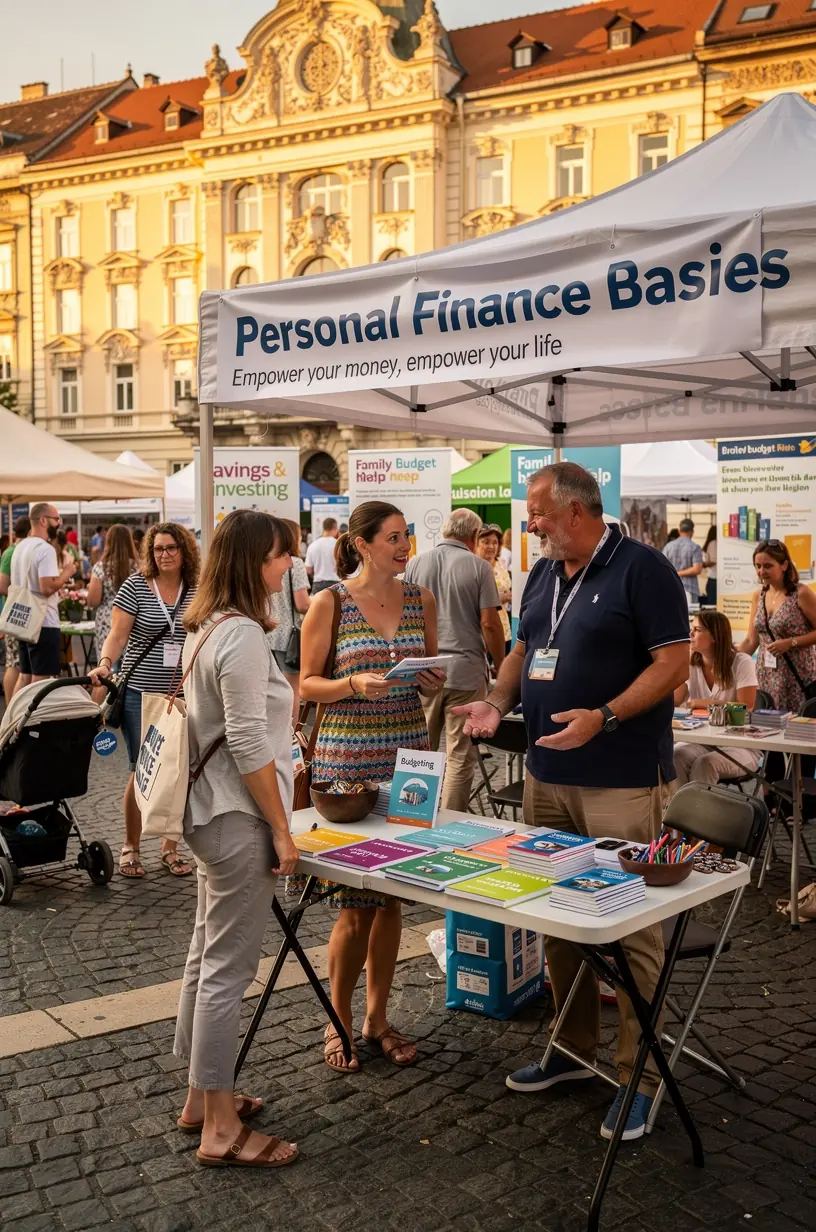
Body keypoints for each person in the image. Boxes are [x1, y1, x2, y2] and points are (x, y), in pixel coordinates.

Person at [452, 463, 690, 1142]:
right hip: (546, 775)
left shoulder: (643, 570)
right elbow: (524, 651)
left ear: (581, 510)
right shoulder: (541, 575)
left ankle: (640, 1076)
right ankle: (573, 1050)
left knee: (630, 927)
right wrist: (498, 702)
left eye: (541, 514)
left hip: (618, 776)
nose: (532, 524)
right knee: (555, 913)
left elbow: (672, 663)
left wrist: (606, 718)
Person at [173, 509, 299, 1170]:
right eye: (282, 555)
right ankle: (219, 1127)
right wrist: (283, 830)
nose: (288, 566)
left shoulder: (207, 626)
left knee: (204, 955)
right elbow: (250, 743)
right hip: (236, 816)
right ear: (255, 561)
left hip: (208, 811)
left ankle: (201, 1096)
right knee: (227, 970)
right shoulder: (243, 634)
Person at [300, 500, 445, 1072]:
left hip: (410, 758)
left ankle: (377, 1018)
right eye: (392, 538)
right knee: (355, 905)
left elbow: (431, 686)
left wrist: (431, 681)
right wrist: (353, 684)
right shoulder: (328, 602)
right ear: (362, 544)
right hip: (348, 764)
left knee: (392, 899)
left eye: (406, 536)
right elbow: (307, 686)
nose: (404, 546)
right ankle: (336, 1020)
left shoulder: (420, 598)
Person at [89, 522, 199, 879]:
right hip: (140, 693)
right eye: (158, 549)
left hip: (183, 694)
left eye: (171, 548)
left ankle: (170, 848)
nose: (164, 554)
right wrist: (105, 664)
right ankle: (131, 846)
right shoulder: (136, 586)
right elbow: (117, 636)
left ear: (184, 550)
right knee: (142, 770)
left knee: (179, 770)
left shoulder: (197, 589)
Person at [405, 508, 505, 812]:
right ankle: (450, 823)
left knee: (420, 751)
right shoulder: (479, 567)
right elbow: (489, 623)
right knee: (459, 756)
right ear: (474, 536)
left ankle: (412, 812)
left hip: (424, 671)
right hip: (465, 670)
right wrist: (500, 665)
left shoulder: (415, 563)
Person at [674, 611, 759, 785]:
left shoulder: (742, 662)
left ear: (715, 636)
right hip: (704, 741)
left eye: (697, 630)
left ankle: (702, 812)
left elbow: (746, 706)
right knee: (676, 756)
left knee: (705, 764)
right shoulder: (690, 664)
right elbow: (675, 701)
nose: (690, 634)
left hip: (740, 744)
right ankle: (681, 811)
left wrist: (704, 703)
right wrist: (676, 664)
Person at [737, 539, 816, 712]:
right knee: (767, 730)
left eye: (767, 566)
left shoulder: (801, 593)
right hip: (767, 678)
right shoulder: (759, 596)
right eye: (757, 566)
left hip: (798, 678)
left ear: (784, 565)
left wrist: (790, 642)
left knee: (797, 733)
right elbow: (751, 641)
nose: (761, 571)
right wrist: (729, 658)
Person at [9, 504, 78, 693]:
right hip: (43, 621)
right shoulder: (45, 549)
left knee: (25, 675)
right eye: (56, 519)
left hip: (24, 618)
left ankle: (13, 719)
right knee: (40, 680)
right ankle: (28, 721)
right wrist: (67, 572)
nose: (59, 523)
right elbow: (46, 587)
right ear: (43, 520)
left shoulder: (19, 547)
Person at [266, 518, 310, 720]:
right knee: (292, 689)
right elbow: (302, 604)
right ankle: (290, 734)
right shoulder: (296, 564)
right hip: (288, 637)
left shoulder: (267, 562)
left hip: (266, 632)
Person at [87, 524, 139, 663]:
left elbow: (93, 601)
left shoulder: (101, 567)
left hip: (107, 621)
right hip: (134, 620)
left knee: (107, 666)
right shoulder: (139, 567)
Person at [0, 516, 30, 703]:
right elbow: (2, 585)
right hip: (16, 614)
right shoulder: (13, 552)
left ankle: (12, 709)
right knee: (15, 664)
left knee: (16, 663)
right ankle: (12, 707)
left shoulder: (13, 551)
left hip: (14, 613)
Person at [475, 523, 512, 651]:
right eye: (486, 542)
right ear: (476, 543)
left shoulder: (501, 564)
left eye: (495, 542)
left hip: (503, 630)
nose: (491, 546)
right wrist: (497, 598)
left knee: (502, 669)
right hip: (481, 633)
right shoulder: (473, 566)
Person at [663, 518, 703, 605]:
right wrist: (679, 573)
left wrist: (675, 573)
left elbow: (662, 567)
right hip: (690, 588)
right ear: (692, 531)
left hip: (671, 587)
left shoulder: (668, 546)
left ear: (679, 530)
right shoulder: (695, 547)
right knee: (690, 617)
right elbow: (697, 569)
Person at [305, 517, 340, 593]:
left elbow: (308, 570)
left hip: (318, 584)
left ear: (323, 528)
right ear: (335, 528)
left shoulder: (313, 545)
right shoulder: (338, 545)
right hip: (336, 583)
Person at [702, 526, 717, 606]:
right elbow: (713, 560)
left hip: (712, 578)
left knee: (712, 605)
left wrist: (703, 564)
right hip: (714, 579)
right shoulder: (714, 543)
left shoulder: (712, 543)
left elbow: (713, 561)